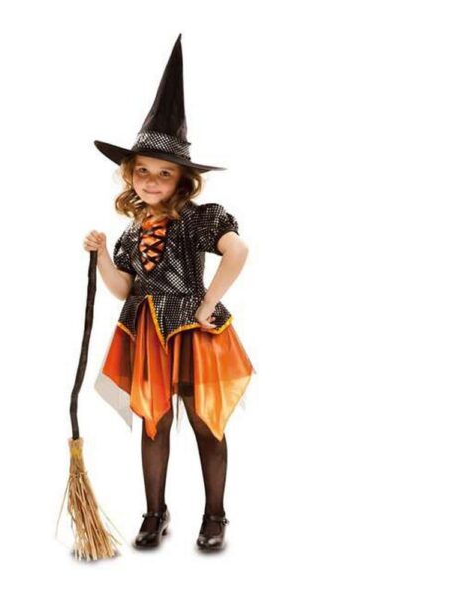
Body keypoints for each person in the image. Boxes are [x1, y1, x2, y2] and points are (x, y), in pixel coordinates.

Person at [84, 34, 256, 552]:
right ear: (130, 176)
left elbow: (238, 251)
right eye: (143, 171)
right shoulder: (131, 233)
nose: (152, 180)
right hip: (146, 332)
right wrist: (101, 256)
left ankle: (215, 516)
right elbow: (123, 288)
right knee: (154, 424)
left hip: (191, 331)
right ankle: (154, 513)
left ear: (182, 179)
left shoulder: (199, 219)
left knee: (205, 422)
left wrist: (206, 305)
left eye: (164, 173)